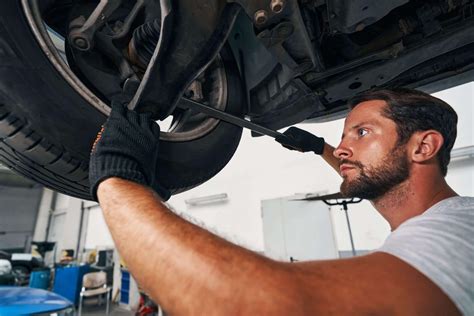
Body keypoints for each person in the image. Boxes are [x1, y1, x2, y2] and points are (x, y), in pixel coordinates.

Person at [89, 88, 473, 315]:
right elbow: (362, 166)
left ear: (423, 146)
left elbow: (245, 304)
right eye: (343, 136)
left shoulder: (457, 233)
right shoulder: (441, 222)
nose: (343, 149)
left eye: (362, 132)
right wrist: (318, 148)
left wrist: (118, 179)